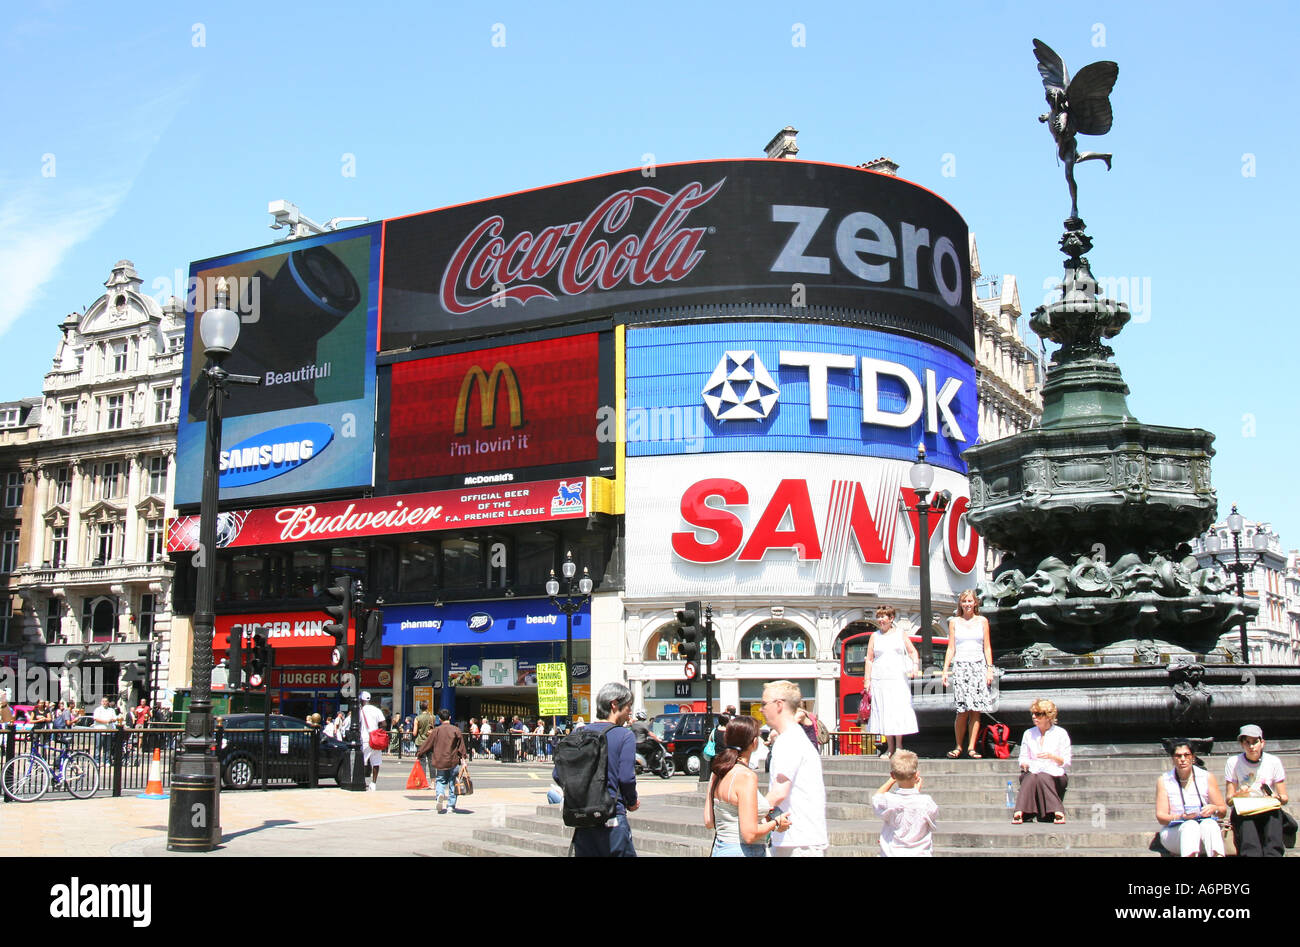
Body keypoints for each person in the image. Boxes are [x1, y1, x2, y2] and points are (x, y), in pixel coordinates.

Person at [553, 682, 638, 857]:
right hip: (612, 817)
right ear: (615, 704)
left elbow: (558, 774)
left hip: (583, 820)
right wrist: (632, 801)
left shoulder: (578, 734)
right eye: (628, 706)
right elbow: (626, 778)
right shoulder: (625, 735)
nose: (630, 711)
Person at [704, 715, 791, 856]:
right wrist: (776, 823)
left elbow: (709, 821)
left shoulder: (717, 773)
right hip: (744, 851)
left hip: (720, 849)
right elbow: (749, 834)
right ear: (754, 742)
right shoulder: (746, 776)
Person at [761, 680, 828, 856]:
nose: (761, 710)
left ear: (779, 705)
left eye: (763, 704)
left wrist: (747, 816)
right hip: (799, 838)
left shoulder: (788, 741)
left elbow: (778, 793)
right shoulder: (794, 737)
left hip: (798, 842)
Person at [941, 590, 995, 758]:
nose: (967, 604)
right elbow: (951, 647)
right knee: (962, 710)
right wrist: (945, 669)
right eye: (964, 601)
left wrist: (989, 668)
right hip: (961, 666)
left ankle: (971, 747)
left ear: (975, 603)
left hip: (978, 666)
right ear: (960, 604)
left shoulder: (982, 621)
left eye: (970, 601)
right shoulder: (954, 622)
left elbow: (987, 646)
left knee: (975, 710)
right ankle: (958, 746)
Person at [1224, 724, 1289, 857]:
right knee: (1249, 843)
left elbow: (1284, 798)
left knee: (1274, 818)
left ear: (1262, 743)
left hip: (1268, 807)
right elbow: (1229, 800)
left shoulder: (1273, 761)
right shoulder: (1233, 762)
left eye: (1255, 742)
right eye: (1247, 742)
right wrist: (1238, 795)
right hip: (1245, 809)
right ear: (1242, 744)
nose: (1251, 746)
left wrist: (1276, 797)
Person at [863, 605, 919, 757]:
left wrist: (915, 666)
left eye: (883, 617)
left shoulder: (900, 634)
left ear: (891, 618)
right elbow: (869, 659)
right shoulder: (874, 636)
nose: (880, 620)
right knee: (884, 710)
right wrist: (867, 681)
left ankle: (899, 745)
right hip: (880, 678)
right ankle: (890, 747)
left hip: (897, 677)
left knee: (897, 709)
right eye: (879, 616)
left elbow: (913, 651)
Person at [1156, 741, 1226, 857]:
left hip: (1203, 835)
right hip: (1175, 833)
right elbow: (1161, 817)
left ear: (1193, 757)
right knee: (1190, 826)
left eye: (1186, 755)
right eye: (1178, 756)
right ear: (1173, 759)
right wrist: (1181, 817)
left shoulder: (1206, 777)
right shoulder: (1164, 780)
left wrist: (1214, 809)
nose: (1182, 759)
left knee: (1210, 824)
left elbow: (1223, 811)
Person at [1012, 698, 1071, 824]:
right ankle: (1019, 811)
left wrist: (1052, 756)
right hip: (1033, 771)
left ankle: (1057, 811)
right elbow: (1023, 757)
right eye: (1033, 714)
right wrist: (1024, 763)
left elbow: (1065, 761)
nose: (1034, 717)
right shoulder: (1028, 733)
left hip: (1055, 774)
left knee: (1043, 777)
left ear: (1048, 716)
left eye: (1038, 714)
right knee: (1032, 776)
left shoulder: (1061, 733)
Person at [872, 749, 938, 857]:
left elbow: (876, 798)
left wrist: (891, 780)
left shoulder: (888, 800)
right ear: (916, 775)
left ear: (893, 775)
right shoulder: (926, 802)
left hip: (892, 853)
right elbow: (932, 818)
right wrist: (916, 792)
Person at [417, 708, 467, 813]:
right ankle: (451, 805)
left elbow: (428, 743)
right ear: (450, 717)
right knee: (453, 783)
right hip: (453, 760)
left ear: (439, 719)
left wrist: (419, 753)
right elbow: (461, 746)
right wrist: (463, 759)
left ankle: (440, 794)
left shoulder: (436, 730)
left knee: (440, 780)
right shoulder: (456, 730)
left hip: (440, 760)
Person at [343, 692, 386, 791]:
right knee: (376, 762)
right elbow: (383, 724)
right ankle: (374, 783)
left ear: (361, 700)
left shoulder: (360, 711)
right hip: (375, 738)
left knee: (363, 761)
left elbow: (352, 722)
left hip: (365, 738)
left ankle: (362, 781)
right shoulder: (377, 710)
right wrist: (377, 730)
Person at [413, 703, 436, 781]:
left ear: (420, 708)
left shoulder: (417, 718)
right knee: (431, 762)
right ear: (427, 707)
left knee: (422, 762)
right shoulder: (432, 717)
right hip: (430, 742)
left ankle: (423, 781)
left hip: (420, 742)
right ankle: (433, 782)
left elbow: (414, 733)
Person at [92, 696, 117, 763]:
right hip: (99, 730)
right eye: (103, 701)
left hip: (108, 731)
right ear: (101, 702)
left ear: (108, 702)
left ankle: (107, 761)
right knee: (98, 747)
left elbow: (115, 718)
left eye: (106, 701)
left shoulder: (111, 710)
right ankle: (97, 761)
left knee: (107, 748)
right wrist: (106, 721)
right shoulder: (98, 709)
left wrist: (111, 720)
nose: (104, 703)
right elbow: (96, 718)